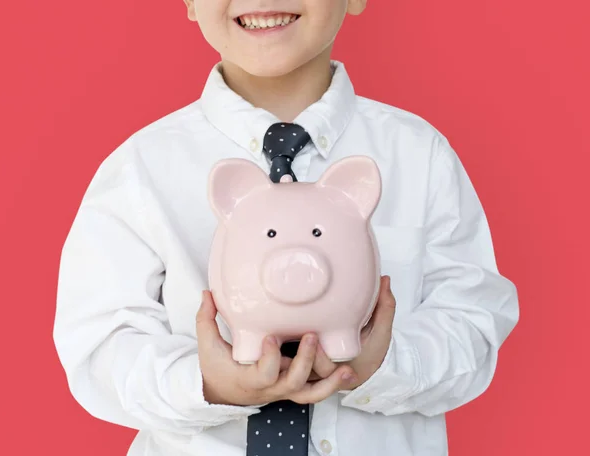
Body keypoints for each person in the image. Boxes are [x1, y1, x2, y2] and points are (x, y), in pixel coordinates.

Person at [52, 1, 520, 455]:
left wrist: (383, 364)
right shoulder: (141, 169)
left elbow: (473, 320)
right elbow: (98, 345)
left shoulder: (418, 155)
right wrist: (205, 383)